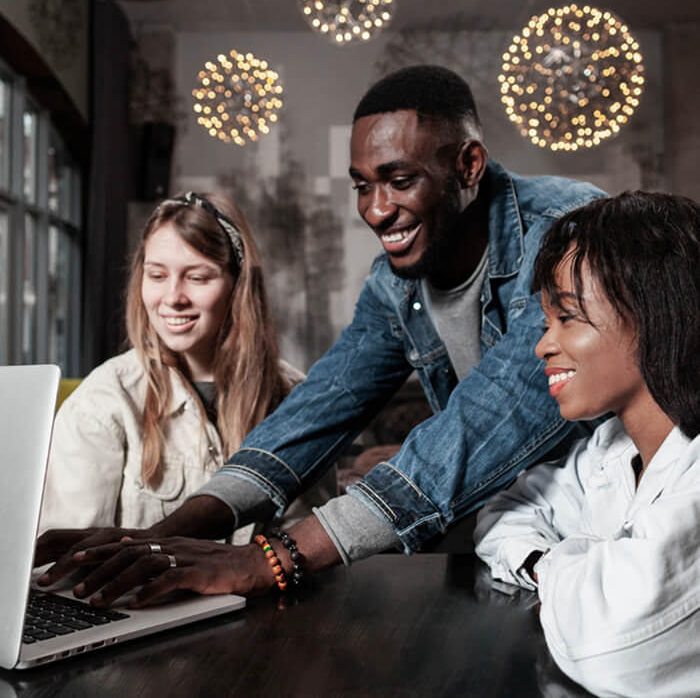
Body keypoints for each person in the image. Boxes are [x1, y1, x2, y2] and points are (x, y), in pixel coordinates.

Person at [36, 65, 605, 604]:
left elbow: (494, 411)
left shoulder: (570, 235)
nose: (377, 211)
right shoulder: (393, 283)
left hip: (606, 529)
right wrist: (162, 536)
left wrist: (270, 559)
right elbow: (321, 406)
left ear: (469, 165)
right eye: (362, 186)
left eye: (399, 181)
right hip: (513, 532)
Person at [474, 191, 700, 698]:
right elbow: (505, 512)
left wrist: (557, 563)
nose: (542, 345)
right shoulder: (608, 448)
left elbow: (613, 644)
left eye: (568, 317)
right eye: (546, 322)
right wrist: (565, 567)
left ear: (657, 314)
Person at [39, 191, 335, 540]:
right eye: (157, 275)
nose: (173, 298)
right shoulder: (102, 405)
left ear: (238, 285)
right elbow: (66, 561)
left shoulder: (294, 397)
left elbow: (309, 549)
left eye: (197, 278)